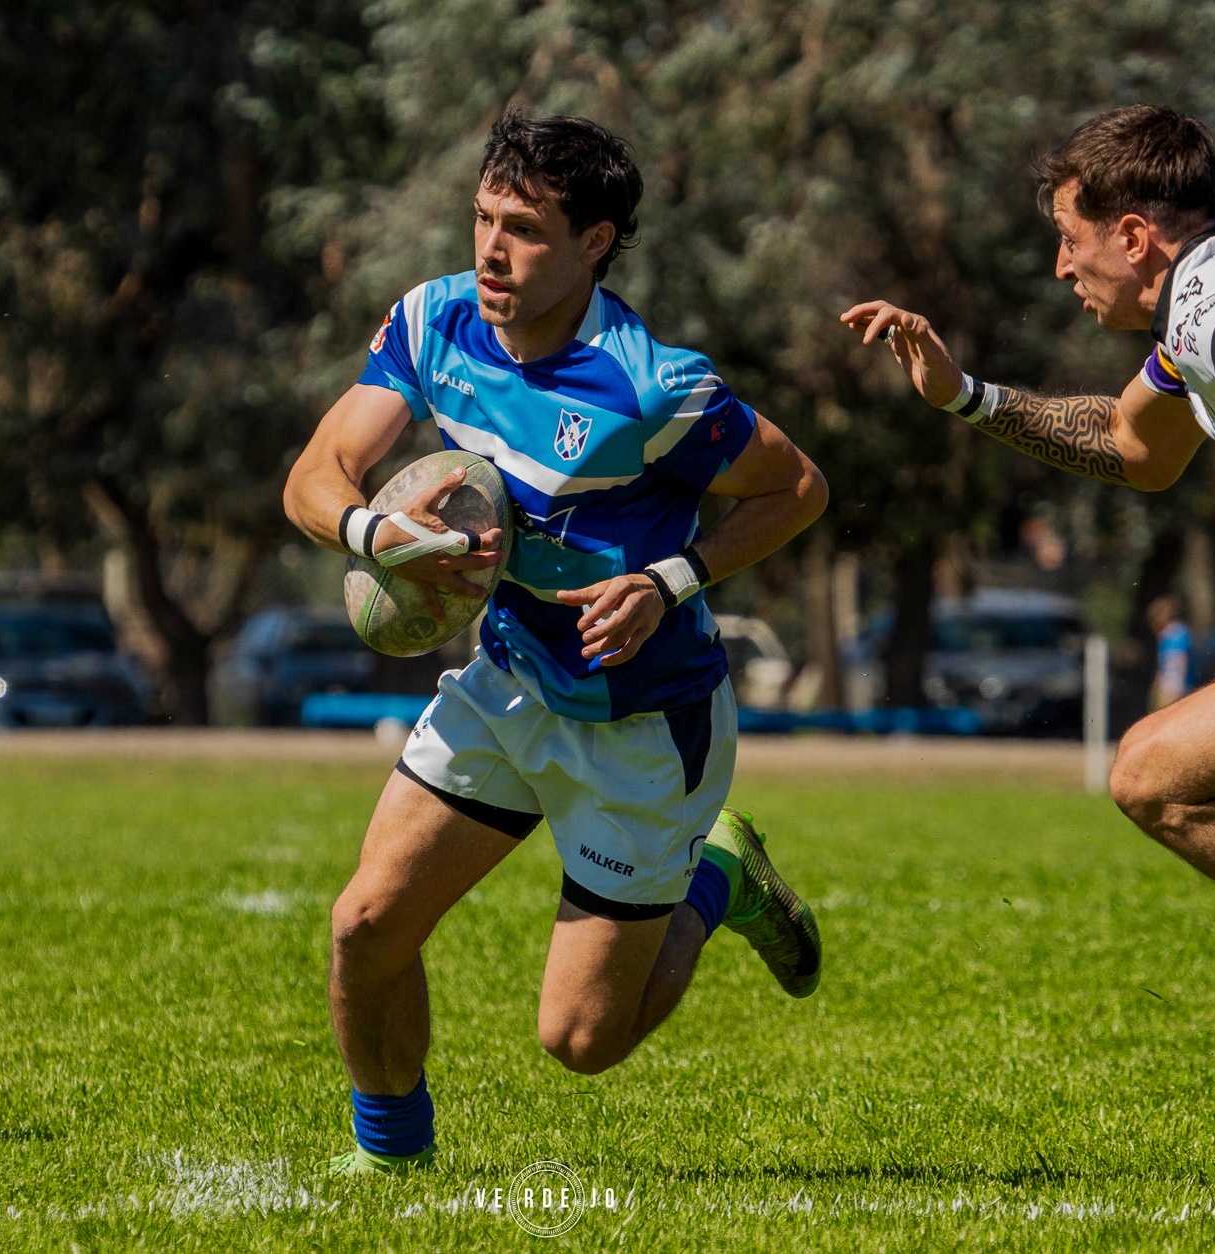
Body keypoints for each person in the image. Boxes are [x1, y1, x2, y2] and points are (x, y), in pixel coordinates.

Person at [843, 104, 1215, 1136]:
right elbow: (1132, 443)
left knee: (1156, 775)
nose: (1061, 268)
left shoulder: (1211, 301)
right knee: (1157, 768)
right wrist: (965, 396)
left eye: (1069, 239)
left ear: (1133, 235)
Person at [284, 112, 828, 1174]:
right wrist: (372, 534)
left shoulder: (652, 387)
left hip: (644, 722)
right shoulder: (434, 323)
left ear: (596, 243)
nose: (492, 249)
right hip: (508, 682)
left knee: (581, 1042)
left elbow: (798, 488)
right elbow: (316, 472)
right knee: (365, 924)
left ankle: (721, 876)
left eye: (526, 230)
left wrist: (670, 580)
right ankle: (392, 1158)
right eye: (485, 218)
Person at [1148, 594, 1193, 710]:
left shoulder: (1175, 635)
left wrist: (1171, 693)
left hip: (1175, 690)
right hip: (1171, 688)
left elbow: (1177, 665)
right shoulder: (1168, 635)